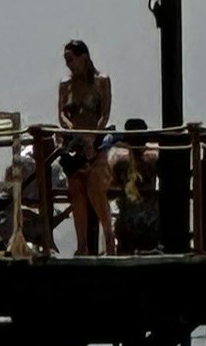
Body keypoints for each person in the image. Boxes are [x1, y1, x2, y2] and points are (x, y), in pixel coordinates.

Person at [54, 37, 114, 257]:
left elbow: (105, 113)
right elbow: (61, 112)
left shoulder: (101, 81)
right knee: (76, 189)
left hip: (96, 139)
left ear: (83, 58)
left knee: (95, 187)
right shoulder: (65, 85)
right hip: (73, 142)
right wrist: (71, 129)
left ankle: (109, 237)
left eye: (71, 59)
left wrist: (92, 136)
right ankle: (82, 245)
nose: (68, 64)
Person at [108, 121, 162, 254]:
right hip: (151, 223)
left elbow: (110, 191)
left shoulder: (120, 161)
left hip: (128, 224)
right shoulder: (153, 159)